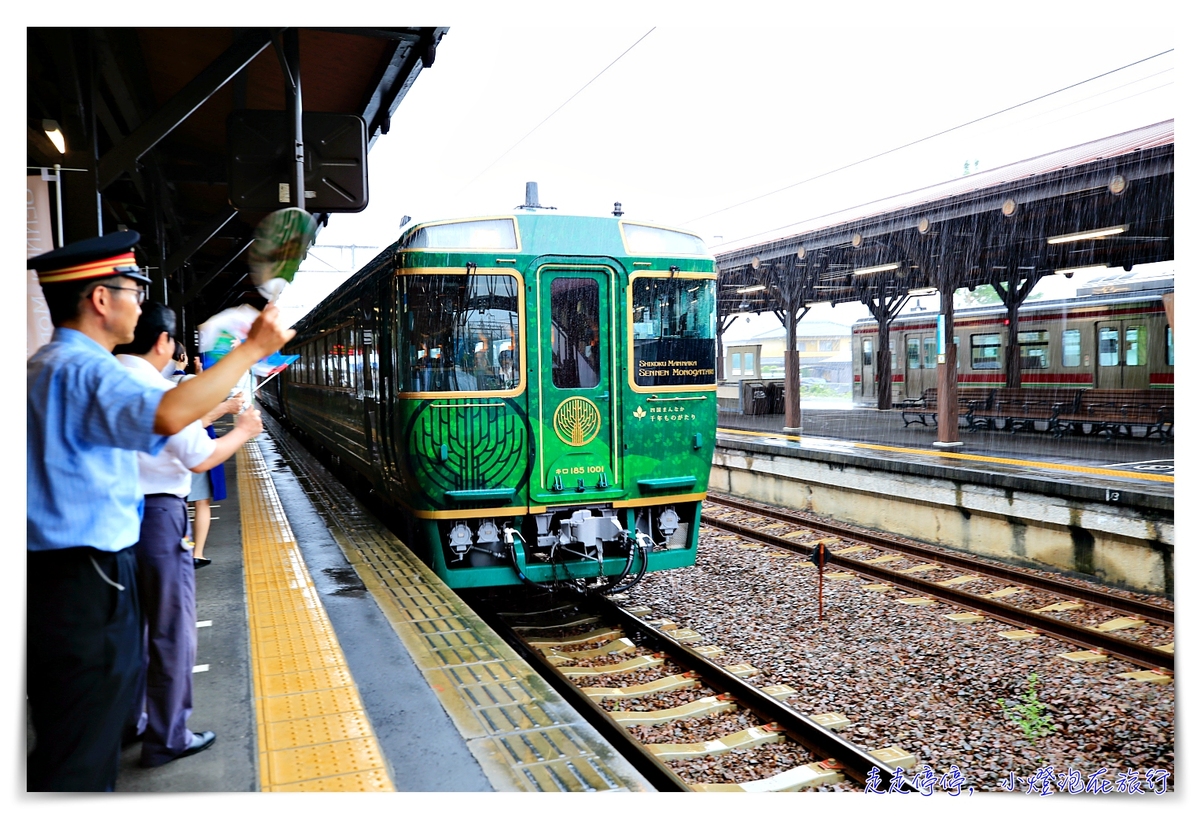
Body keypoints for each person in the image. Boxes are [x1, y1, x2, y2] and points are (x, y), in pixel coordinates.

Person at [26, 231, 294, 791]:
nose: (141, 303)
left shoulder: (47, 366)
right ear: (101, 299)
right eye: (134, 290)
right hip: (84, 576)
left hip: (60, 576)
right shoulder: (85, 371)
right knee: (78, 752)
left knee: (76, 727)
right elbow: (172, 415)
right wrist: (250, 351)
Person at [115, 302, 262, 768]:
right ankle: (168, 736)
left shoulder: (104, 377)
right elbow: (199, 456)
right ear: (163, 343)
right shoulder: (155, 390)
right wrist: (242, 431)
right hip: (158, 517)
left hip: (115, 518)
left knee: (131, 628)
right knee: (170, 632)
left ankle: (131, 720)